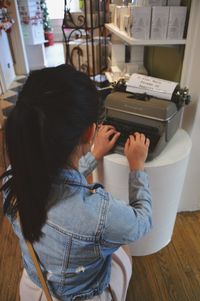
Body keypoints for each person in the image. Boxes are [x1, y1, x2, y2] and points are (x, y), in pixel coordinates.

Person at [1, 64, 152, 301]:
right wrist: (137, 167)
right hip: (81, 295)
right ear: (90, 132)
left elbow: (55, 179)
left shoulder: (13, 177)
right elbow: (142, 222)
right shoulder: (98, 215)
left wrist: (93, 155)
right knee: (125, 253)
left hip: (36, 281)